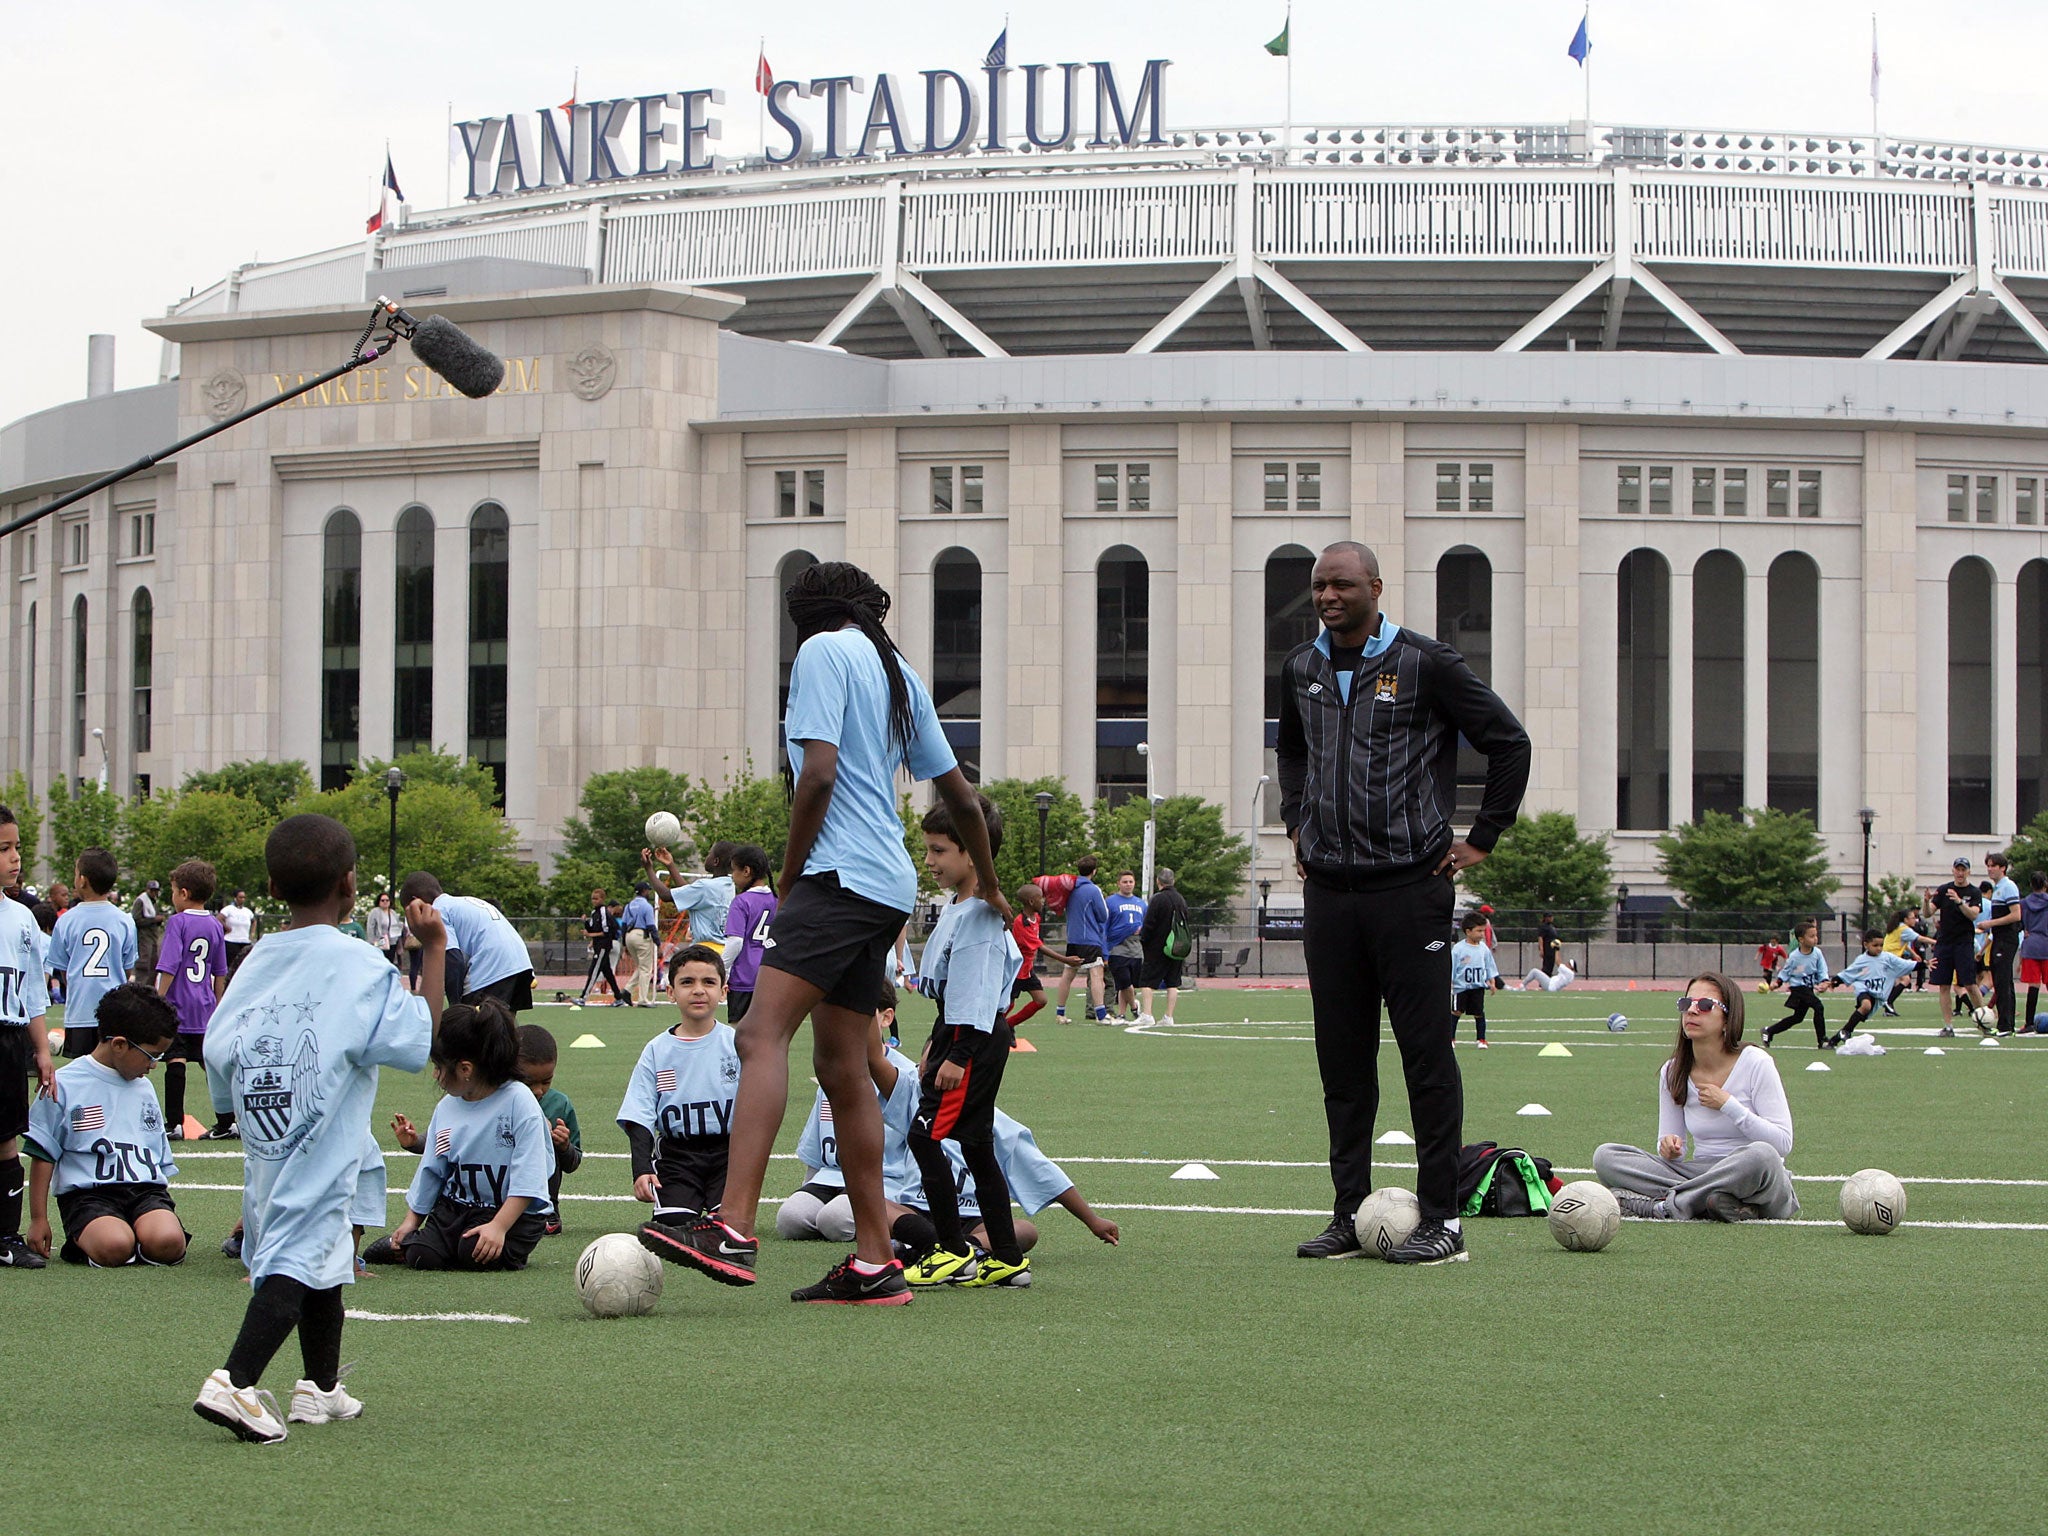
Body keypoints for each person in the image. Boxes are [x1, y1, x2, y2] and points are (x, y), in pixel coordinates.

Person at [652, 560, 1003, 1306]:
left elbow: (816, 775)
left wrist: (788, 877)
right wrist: (995, 885)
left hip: (837, 878)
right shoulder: (896, 669)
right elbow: (960, 793)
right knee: (845, 1068)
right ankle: (876, 1261)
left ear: (804, 614)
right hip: (885, 885)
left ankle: (734, 1226)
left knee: (757, 1034)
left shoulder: (820, 652)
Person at [1277, 540, 1531, 1266]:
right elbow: (1290, 749)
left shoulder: (1427, 662)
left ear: (1377, 588)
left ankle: (1443, 1220)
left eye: (1343, 584)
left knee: (1426, 1056)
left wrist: (1482, 836)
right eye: (1320, 585)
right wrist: (1296, 819)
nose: (1329, 595)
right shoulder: (1301, 667)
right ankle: (1346, 1212)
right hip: (1329, 894)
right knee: (1344, 1064)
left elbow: (1509, 742)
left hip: (1410, 892)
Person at [192, 814, 441, 1443]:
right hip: (325, 1139)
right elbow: (420, 1039)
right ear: (351, 883)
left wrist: (241, 1106)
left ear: (272, 886)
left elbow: (218, 1049)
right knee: (300, 1257)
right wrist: (433, 950)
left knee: (325, 1254)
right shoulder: (361, 964)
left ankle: (320, 1389)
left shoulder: (256, 959)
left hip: (265, 1141)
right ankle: (234, 1382)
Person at [900, 792, 1027, 1289]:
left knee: (923, 1136)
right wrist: (940, 1042)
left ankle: (952, 1249)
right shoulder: (963, 907)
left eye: (938, 850)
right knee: (974, 1146)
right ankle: (1008, 1259)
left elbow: (975, 996)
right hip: (960, 1032)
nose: (929, 860)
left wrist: (958, 1053)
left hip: (972, 1037)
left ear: (970, 853)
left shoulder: (978, 917)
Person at [1593, 970, 1798, 1223]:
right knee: (1606, 1156)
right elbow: (1673, 1148)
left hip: (1754, 1177)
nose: (1691, 1011)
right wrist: (1669, 1148)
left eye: (1704, 1005)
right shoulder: (1673, 1070)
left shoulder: (1756, 1062)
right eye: (1685, 1003)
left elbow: (1782, 1143)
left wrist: (1729, 1105)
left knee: (1762, 1156)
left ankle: (1669, 1205)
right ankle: (1714, 1202)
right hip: (1699, 1172)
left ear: (1727, 1018)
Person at [363, 999, 549, 1272]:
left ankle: (500, 1245)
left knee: (473, 1253)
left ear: (465, 1069)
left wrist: (498, 1227)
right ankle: (404, 1245)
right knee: (422, 1256)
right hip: (458, 1207)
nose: (436, 1075)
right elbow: (433, 1169)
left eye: (438, 1067)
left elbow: (529, 1179)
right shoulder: (447, 1107)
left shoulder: (519, 1102)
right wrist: (411, 1222)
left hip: (511, 1214)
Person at [22, 982, 186, 1267]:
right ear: (120, 1045)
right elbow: (42, 1153)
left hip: (145, 1190)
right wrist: (38, 1219)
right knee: (114, 1246)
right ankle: (89, 1242)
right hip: (88, 1195)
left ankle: (138, 1236)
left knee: (168, 1242)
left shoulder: (144, 1087)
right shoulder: (65, 1084)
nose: (153, 1066)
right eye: (151, 1056)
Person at [623, 945, 741, 1255]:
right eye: (687, 982)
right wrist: (641, 1168)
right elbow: (640, 1113)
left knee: (727, 1230)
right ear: (670, 991)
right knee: (673, 1227)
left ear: (723, 990)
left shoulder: (737, 1045)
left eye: (709, 982)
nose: (698, 990)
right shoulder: (657, 1050)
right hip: (677, 1157)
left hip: (730, 1154)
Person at [778, 993, 919, 1244]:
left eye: (860, 1014)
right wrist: (808, 1186)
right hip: (831, 1175)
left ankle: (890, 1223)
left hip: (886, 1179)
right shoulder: (833, 1068)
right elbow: (816, 1141)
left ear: (886, 1018)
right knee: (791, 1219)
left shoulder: (906, 1075)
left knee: (835, 1220)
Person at [0, 803, 54, 1270]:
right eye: (4, 848)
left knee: (6, 1141)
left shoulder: (21, 918)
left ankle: (5, 1237)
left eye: (17, 847)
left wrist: (41, 1050)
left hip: (7, 1040)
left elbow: (32, 992)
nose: (15, 857)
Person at [156, 860, 232, 1142]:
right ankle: (228, 1121)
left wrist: (157, 1000)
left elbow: (169, 964)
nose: (172, 897)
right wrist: (218, 1004)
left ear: (184, 893)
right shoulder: (214, 924)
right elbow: (220, 971)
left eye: (173, 891)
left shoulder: (178, 922)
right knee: (207, 1063)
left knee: (175, 1060)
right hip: (204, 1005)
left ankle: (174, 1123)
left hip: (177, 1006)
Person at [46, 848, 139, 1059]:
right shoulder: (124, 920)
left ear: (83, 880)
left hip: (80, 1011)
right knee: (112, 1071)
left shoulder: (67, 920)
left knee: (81, 1072)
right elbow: (126, 969)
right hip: (113, 1013)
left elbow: (63, 970)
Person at [397, 872, 535, 1014]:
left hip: (491, 968)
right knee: (504, 1026)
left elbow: (453, 962)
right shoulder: (463, 901)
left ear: (416, 901)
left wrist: (456, 1008)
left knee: (472, 1029)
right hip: (521, 964)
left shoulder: (438, 911)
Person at [514, 1024, 581, 1235]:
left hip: (544, 1191)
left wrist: (564, 1146)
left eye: (546, 1081)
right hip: (505, 1187)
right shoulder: (500, 1099)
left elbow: (573, 1163)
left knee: (544, 1141)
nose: (538, 1090)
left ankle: (547, 1212)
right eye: (528, 1082)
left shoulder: (559, 1104)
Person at [1924, 858, 1989, 1036]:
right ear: (1953, 870)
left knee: (1970, 984)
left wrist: (1960, 901)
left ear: (1968, 871)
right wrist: (1926, 901)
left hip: (1964, 942)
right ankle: (1948, 1025)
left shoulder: (1974, 892)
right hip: (1945, 943)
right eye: (1957, 869)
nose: (1960, 873)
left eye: (1963, 870)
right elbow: (1929, 912)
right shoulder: (1944, 889)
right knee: (1943, 985)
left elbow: (1973, 915)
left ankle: (1984, 1020)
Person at [1824, 931, 1920, 1048]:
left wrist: (1924, 964)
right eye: (1875, 945)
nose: (1879, 948)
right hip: (1863, 988)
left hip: (1878, 995)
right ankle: (1846, 1032)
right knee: (1866, 1005)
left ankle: (1840, 1035)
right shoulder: (1861, 960)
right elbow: (1849, 972)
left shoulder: (1887, 958)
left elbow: (1904, 964)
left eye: (1881, 945)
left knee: (1864, 1011)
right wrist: (1835, 982)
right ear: (1866, 945)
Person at [718, 845, 778, 1023]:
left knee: (740, 1037)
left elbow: (736, 941)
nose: (732, 876)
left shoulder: (741, 902)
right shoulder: (777, 901)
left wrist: (720, 970)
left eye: (734, 870)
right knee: (766, 1035)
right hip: (769, 979)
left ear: (746, 871)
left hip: (744, 980)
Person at [648, 841, 736, 954]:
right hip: (723, 951)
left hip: (704, 951)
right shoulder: (729, 885)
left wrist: (649, 869)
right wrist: (671, 865)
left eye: (709, 854)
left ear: (715, 861)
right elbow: (689, 892)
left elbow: (665, 895)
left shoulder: (705, 887)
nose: (707, 857)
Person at [1054, 855, 1110, 1022]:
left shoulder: (1069, 888)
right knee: (1096, 973)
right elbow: (1103, 915)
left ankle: (1060, 1012)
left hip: (1073, 938)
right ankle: (1101, 1014)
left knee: (1068, 974)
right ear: (1094, 871)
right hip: (1090, 939)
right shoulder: (1093, 890)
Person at [1003, 882, 1065, 1030]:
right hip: (1016, 969)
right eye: (1041, 898)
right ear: (1031, 901)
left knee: (1041, 1000)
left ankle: (1008, 1025)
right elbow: (1039, 946)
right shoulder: (1020, 923)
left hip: (1027, 969)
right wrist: (1065, 960)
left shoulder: (1035, 918)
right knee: (1007, 1004)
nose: (1043, 901)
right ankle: (991, 1031)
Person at [1759, 920, 1830, 1049]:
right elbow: (1786, 971)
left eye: (1816, 935)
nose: (1815, 939)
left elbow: (1822, 969)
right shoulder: (1794, 956)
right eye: (1812, 936)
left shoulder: (1817, 953)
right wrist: (1778, 983)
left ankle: (1769, 1031)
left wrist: (1824, 982)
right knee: (1818, 1007)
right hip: (1798, 989)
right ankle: (1822, 1040)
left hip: (1808, 988)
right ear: (1801, 940)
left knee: (1797, 1018)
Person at [1136, 867, 1190, 1028]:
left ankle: (1147, 1014)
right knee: (1173, 982)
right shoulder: (1180, 899)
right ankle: (1169, 1016)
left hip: (1157, 947)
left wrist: (1143, 939)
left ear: (1158, 881)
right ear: (1173, 881)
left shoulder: (1158, 899)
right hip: (1177, 946)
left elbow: (1149, 923)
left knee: (1147, 981)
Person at [1980, 851, 2024, 1035]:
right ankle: (2007, 1024)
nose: (1990, 869)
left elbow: (2016, 915)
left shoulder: (2008, 886)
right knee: (2001, 980)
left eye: (1993, 866)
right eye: (1988, 865)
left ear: (2002, 868)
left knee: (2003, 980)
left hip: (2007, 938)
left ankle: (2005, 1025)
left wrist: (1990, 924)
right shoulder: (1998, 888)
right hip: (1999, 938)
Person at [1450, 911, 1502, 1048]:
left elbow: (1489, 965)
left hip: (1478, 986)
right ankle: (1450, 1039)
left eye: (1483, 931)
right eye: (1479, 931)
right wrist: (1450, 982)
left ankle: (1481, 1039)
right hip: (1461, 987)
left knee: (1479, 1013)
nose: (1482, 934)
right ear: (1468, 931)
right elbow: (1452, 967)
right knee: (1456, 1011)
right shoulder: (1458, 949)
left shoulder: (1483, 948)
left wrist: (1492, 981)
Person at [1103, 870, 1148, 1022]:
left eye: (1130, 882)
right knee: (1125, 982)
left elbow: (1147, 924)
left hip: (1135, 948)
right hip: (1117, 948)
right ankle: (1135, 1008)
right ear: (1119, 884)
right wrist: (1105, 949)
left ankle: (1121, 1014)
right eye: (1125, 882)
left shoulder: (1141, 903)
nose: (1128, 885)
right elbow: (1105, 925)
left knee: (1127, 985)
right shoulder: (1110, 902)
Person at [618, 883, 660, 1008]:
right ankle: (643, 999)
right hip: (641, 935)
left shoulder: (629, 905)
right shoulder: (646, 906)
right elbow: (651, 926)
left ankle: (627, 990)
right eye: (648, 890)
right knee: (646, 969)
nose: (649, 893)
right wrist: (658, 942)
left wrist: (624, 944)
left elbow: (624, 925)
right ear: (644, 891)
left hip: (629, 936)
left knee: (641, 967)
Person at [577, 887, 622, 1005]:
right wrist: (585, 922)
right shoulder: (594, 913)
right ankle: (619, 997)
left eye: (596, 899)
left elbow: (605, 932)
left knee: (594, 971)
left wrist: (590, 934)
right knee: (608, 973)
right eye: (592, 899)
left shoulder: (603, 912)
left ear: (602, 899)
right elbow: (591, 927)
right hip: (598, 945)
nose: (594, 901)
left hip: (603, 945)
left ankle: (583, 997)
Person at [2017, 871, 2048, 1034]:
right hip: (2046, 943)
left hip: (2030, 945)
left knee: (2033, 986)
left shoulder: (2023, 903)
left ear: (2031, 885)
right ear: (2045, 885)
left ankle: (2028, 1023)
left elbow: (2019, 923)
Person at [130, 878, 164, 978]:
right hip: (144, 937)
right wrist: (154, 920)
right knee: (144, 964)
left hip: (153, 937)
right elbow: (136, 920)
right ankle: (140, 988)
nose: (154, 893)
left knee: (153, 965)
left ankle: (149, 989)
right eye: (152, 890)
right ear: (147, 890)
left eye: (156, 891)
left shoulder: (153, 902)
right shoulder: (141, 901)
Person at [219, 889, 257, 975]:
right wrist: (227, 928)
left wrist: (252, 933)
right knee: (232, 964)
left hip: (244, 941)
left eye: (244, 897)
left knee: (244, 964)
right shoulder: (229, 909)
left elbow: (254, 921)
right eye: (240, 897)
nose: (242, 899)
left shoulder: (247, 911)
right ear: (235, 898)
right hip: (231, 940)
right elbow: (219, 918)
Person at [365, 891, 406, 970]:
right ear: (379, 901)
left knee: (390, 962)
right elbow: (370, 927)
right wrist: (372, 941)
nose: (385, 902)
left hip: (392, 942)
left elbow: (396, 925)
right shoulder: (375, 912)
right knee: (380, 962)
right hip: (380, 941)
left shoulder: (393, 913)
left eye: (387, 900)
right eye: (382, 900)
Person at [1538, 912, 1561, 978]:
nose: (1551, 918)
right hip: (1547, 949)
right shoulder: (1543, 927)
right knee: (1546, 966)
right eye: (1549, 917)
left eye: (1551, 917)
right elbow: (1540, 938)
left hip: (1552, 949)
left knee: (1551, 965)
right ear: (1546, 918)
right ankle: (1543, 980)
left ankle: (1548, 979)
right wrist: (1541, 949)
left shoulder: (1551, 927)